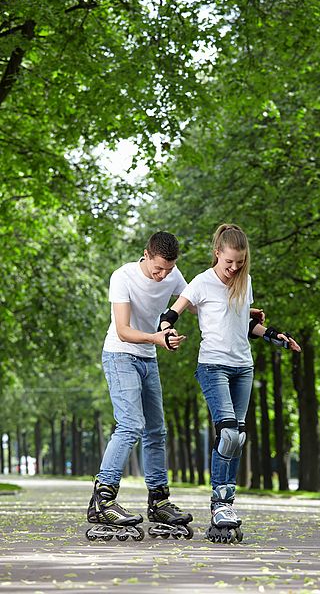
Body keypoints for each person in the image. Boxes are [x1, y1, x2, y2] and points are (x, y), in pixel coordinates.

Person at [159, 223, 301, 543]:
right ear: (217, 253)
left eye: (240, 262)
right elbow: (172, 313)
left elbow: (246, 326)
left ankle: (226, 503)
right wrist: (166, 332)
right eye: (229, 262)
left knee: (238, 437)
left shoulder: (244, 281)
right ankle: (220, 503)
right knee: (227, 433)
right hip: (212, 365)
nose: (234, 268)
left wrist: (278, 336)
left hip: (243, 367)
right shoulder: (201, 283)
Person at [86, 231, 195, 541]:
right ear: (146, 255)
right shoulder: (122, 276)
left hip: (148, 359)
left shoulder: (173, 275)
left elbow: (197, 303)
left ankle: (159, 500)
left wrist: (240, 312)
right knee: (131, 424)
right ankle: (103, 499)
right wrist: (157, 338)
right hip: (120, 356)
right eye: (158, 268)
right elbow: (122, 330)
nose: (163, 276)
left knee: (157, 431)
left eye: (169, 270)